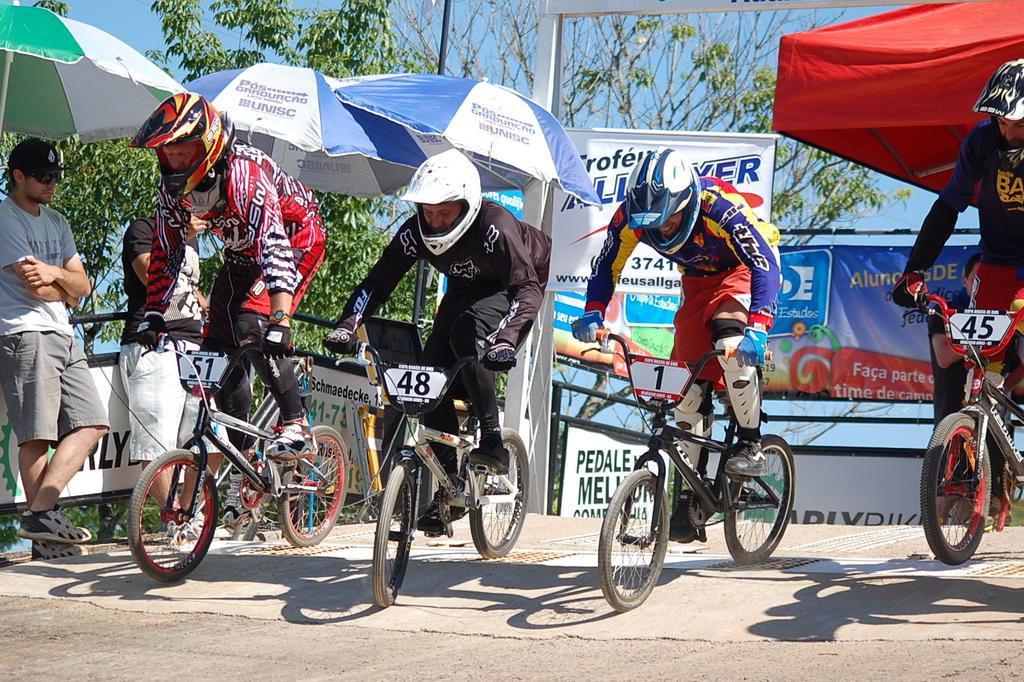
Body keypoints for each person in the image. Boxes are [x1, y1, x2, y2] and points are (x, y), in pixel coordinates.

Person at [324, 149, 551, 534]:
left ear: (468, 204)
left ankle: (493, 440)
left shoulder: (495, 225)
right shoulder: (415, 232)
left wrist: (507, 340)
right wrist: (348, 323)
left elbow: (526, 288)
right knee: (430, 375)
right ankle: (450, 490)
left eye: (445, 213)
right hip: (465, 287)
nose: (436, 221)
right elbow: (378, 282)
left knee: (469, 335)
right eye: (429, 213)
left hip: (513, 284)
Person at [570, 147, 781, 542]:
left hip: (742, 269)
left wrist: (760, 326)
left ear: (686, 200)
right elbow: (606, 264)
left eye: (669, 217)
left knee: (732, 341)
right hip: (697, 281)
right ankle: (693, 490)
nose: (662, 228)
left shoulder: (721, 208)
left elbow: (764, 264)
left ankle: (750, 444)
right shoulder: (631, 215)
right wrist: (593, 310)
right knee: (687, 386)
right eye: (652, 223)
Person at [129, 93, 326, 464]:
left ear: (207, 146)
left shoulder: (244, 175)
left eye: (182, 151)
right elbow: (166, 251)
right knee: (218, 343)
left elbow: (274, 246)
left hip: (296, 236)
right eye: (167, 153)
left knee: (252, 321)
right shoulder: (171, 191)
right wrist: (155, 313)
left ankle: (297, 424)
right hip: (243, 252)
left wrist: (280, 318)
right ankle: (243, 452)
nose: (174, 161)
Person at [891, 60, 1024, 521]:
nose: (1007, 129)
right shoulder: (981, 141)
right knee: (976, 362)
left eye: (1017, 122)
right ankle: (982, 477)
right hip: (1000, 263)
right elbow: (947, 208)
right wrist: (914, 270)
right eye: (1001, 119)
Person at [0, 138, 109, 556]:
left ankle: (40, 513)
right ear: (18, 176)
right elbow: (37, 286)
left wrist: (57, 278)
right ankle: (45, 536)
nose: (51, 184)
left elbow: (81, 287)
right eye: (43, 177)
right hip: (23, 332)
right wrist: (59, 281)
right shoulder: (6, 219)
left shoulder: (58, 221)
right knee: (37, 435)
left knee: (93, 424)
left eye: (55, 177)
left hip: (62, 333)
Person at [118, 213, 207, 505]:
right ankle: (173, 519)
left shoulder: (195, 242)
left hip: (195, 349)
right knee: (157, 445)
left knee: (210, 440)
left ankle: (189, 513)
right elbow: (149, 272)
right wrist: (180, 236)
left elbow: (185, 286)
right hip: (156, 344)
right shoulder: (143, 228)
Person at [928, 253, 980, 426]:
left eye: (987, 281)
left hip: (990, 412)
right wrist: (984, 337)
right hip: (951, 411)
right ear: (964, 280)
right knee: (947, 451)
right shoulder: (945, 311)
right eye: (975, 280)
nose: (980, 287)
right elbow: (943, 357)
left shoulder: (1005, 313)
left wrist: (1005, 388)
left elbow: (1018, 365)